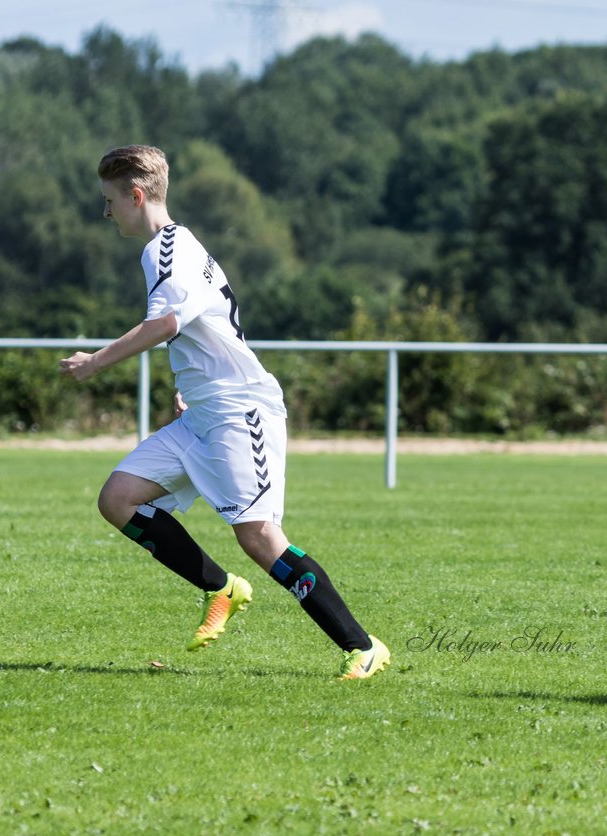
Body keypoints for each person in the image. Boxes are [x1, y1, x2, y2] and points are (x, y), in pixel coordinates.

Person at [59, 145, 389, 680]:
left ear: (136, 196)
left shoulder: (165, 250)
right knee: (118, 498)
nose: (107, 213)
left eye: (109, 202)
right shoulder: (176, 246)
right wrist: (191, 386)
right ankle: (222, 588)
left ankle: (362, 645)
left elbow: (165, 325)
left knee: (258, 535)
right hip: (204, 413)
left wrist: (95, 362)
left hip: (241, 410)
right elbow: (199, 328)